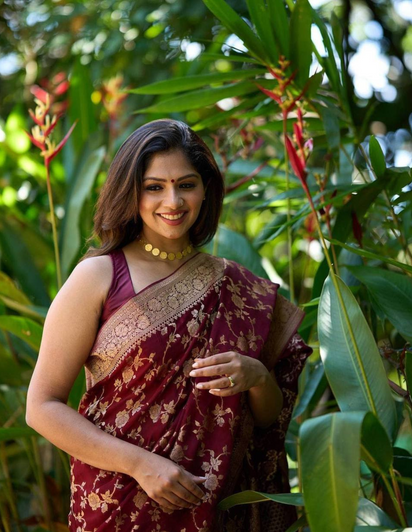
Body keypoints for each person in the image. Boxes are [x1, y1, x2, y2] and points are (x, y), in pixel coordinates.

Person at [26, 118, 313, 532]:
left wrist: (257, 376)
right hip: (119, 500)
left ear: (206, 189)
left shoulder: (237, 286)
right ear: (131, 191)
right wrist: (141, 465)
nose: (173, 201)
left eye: (187, 184)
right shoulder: (100, 276)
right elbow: (42, 407)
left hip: (215, 505)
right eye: (154, 186)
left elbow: (267, 419)